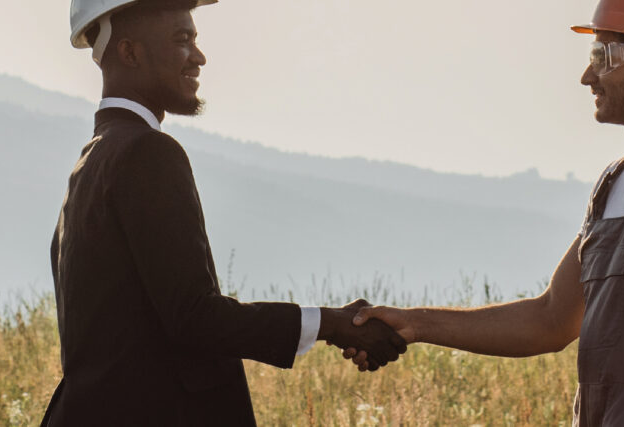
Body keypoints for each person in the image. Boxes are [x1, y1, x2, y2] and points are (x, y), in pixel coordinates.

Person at [346, 0, 624, 425]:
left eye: (603, 56)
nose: (588, 76)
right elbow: (550, 318)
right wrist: (415, 324)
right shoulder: (614, 180)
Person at [44, 0, 405, 424]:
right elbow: (194, 317)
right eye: (182, 40)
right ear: (129, 52)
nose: (198, 57)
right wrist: (332, 323)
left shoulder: (91, 161)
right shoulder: (147, 152)